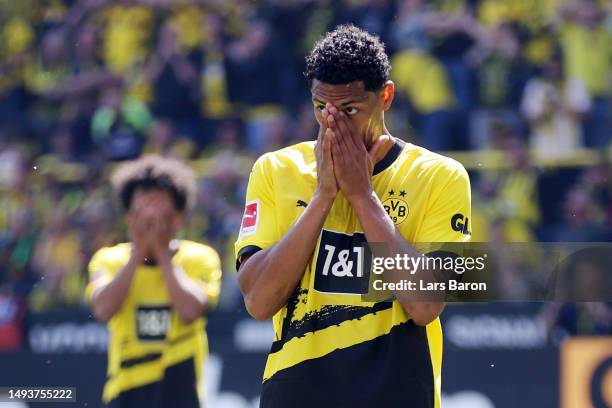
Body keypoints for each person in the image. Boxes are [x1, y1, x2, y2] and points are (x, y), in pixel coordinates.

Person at [235, 25, 471, 407]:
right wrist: (324, 194)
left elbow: (426, 306)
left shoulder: (440, 176)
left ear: (386, 97)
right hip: (297, 394)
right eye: (320, 108)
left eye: (349, 110)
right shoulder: (274, 170)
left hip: (398, 394)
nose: (333, 123)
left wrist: (361, 195)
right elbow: (259, 302)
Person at [86, 155, 221, 407]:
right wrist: (139, 252)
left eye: (158, 212)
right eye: (141, 213)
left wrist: (161, 252)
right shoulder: (109, 259)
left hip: (182, 389)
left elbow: (191, 310)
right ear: (128, 217)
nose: (149, 222)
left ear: (177, 217)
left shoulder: (199, 258)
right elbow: (102, 309)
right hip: (125, 391)